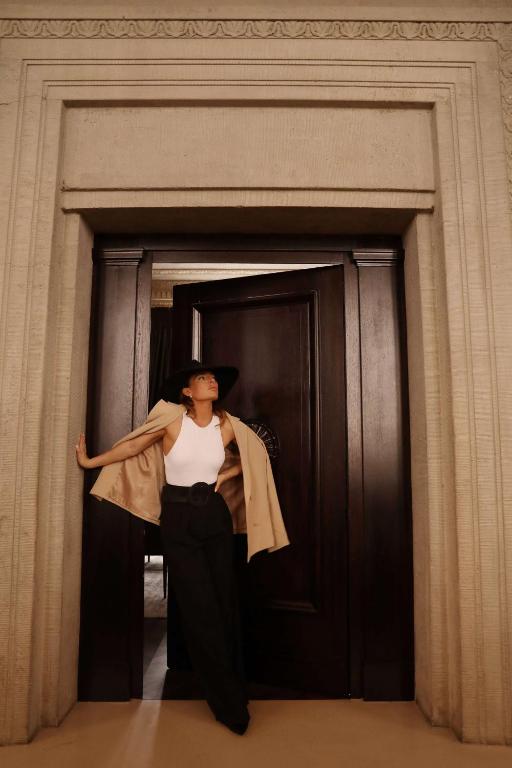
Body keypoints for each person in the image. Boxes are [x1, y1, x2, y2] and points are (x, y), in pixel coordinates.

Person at [76, 360, 254, 735]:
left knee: (224, 602)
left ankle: (235, 688)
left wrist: (226, 474)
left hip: (215, 517)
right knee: (200, 606)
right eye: (202, 378)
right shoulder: (173, 422)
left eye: (213, 379)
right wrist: (91, 461)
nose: (211, 381)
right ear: (187, 392)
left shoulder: (226, 425)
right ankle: (228, 704)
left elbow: (257, 457)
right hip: (178, 518)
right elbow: (134, 445)